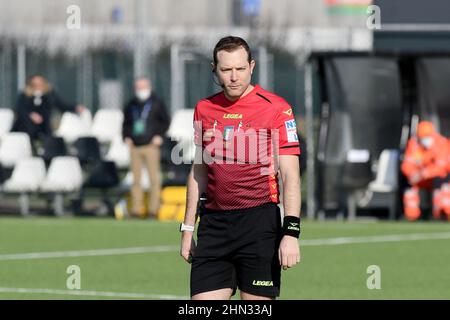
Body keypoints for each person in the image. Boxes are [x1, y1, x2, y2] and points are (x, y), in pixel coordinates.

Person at [180, 36, 302, 300]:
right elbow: (199, 172)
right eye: (226, 70)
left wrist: (291, 231)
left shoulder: (278, 109)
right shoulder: (204, 108)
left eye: (240, 69)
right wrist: (188, 229)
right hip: (213, 226)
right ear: (215, 69)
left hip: (259, 226)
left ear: (252, 67)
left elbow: (290, 176)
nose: (234, 77)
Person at [122, 77, 171, 218]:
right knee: (135, 180)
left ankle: (153, 210)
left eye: (143, 87)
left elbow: (165, 121)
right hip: (135, 146)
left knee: (154, 179)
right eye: (138, 87)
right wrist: (126, 136)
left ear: (149, 87)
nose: (140, 90)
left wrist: (159, 136)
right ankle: (136, 210)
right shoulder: (131, 104)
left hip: (151, 145)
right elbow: (125, 123)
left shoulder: (157, 102)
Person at [12, 75, 85, 146]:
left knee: (48, 136)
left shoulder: (50, 95)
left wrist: (75, 108)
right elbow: (20, 109)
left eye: (40, 84)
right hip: (25, 125)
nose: (38, 86)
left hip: (44, 126)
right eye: (35, 84)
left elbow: (61, 105)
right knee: (29, 128)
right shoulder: (24, 96)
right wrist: (31, 115)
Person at [401, 121, 450, 220]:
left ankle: (442, 214)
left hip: (436, 178)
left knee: (443, 186)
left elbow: (442, 167)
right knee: (409, 186)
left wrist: (423, 173)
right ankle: (412, 216)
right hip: (420, 180)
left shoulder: (441, 143)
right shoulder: (414, 144)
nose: (425, 140)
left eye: (427, 136)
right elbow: (407, 164)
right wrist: (412, 174)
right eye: (422, 137)